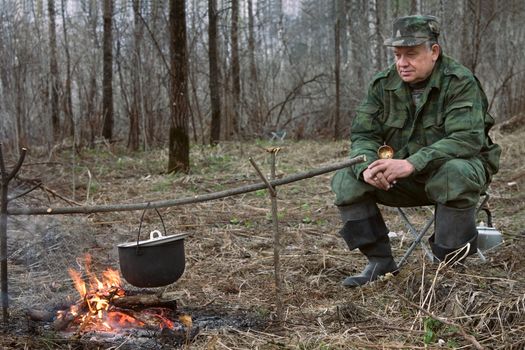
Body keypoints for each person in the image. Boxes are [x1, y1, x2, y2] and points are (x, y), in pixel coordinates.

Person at [331, 15, 501, 288]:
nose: (402, 63)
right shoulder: (382, 84)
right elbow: (363, 136)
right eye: (397, 55)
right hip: (401, 180)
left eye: (410, 54)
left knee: (453, 173)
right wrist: (369, 167)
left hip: (452, 175)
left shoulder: (459, 82)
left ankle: (447, 269)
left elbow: (467, 139)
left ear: (434, 51)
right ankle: (379, 263)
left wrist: (412, 163)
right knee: (346, 179)